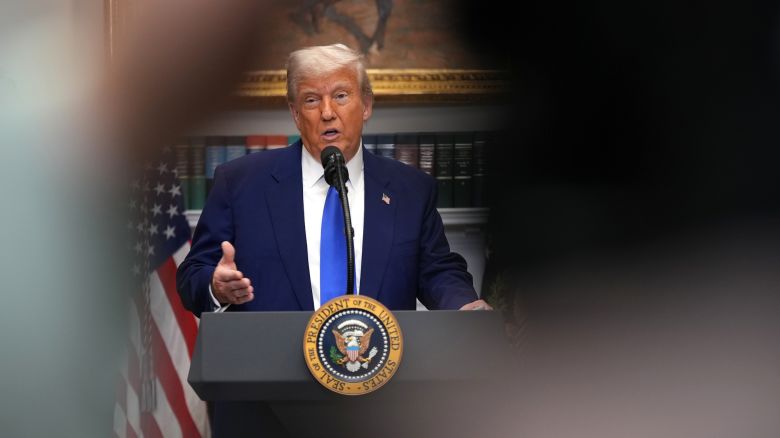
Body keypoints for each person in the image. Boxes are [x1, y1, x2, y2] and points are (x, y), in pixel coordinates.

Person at [176, 43, 490, 315]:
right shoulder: (241, 183)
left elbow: (437, 271)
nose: (327, 112)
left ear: (366, 105)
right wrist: (215, 286)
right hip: (271, 364)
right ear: (296, 114)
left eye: (341, 96)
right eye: (312, 100)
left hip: (380, 363)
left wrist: (464, 305)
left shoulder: (411, 190)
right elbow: (193, 274)